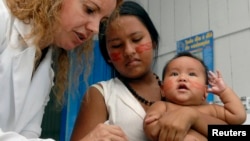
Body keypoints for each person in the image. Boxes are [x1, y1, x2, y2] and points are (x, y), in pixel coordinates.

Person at [71, 1, 228, 141]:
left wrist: (192, 117)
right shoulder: (102, 95)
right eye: (117, 45)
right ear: (108, 56)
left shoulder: (180, 88)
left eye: (137, 39)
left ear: (153, 41)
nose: (129, 51)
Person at [0, 0, 122, 140]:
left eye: (103, 21)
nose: (96, 29)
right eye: (89, 10)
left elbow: (27, 136)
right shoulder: (2, 19)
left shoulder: (45, 70)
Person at [143, 52, 246, 140]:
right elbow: (150, 125)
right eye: (174, 74)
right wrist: (183, 138)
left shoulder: (212, 110)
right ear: (162, 89)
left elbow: (238, 117)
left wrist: (224, 91)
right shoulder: (162, 106)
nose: (182, 78)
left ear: (205, 92)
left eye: (191, 74)